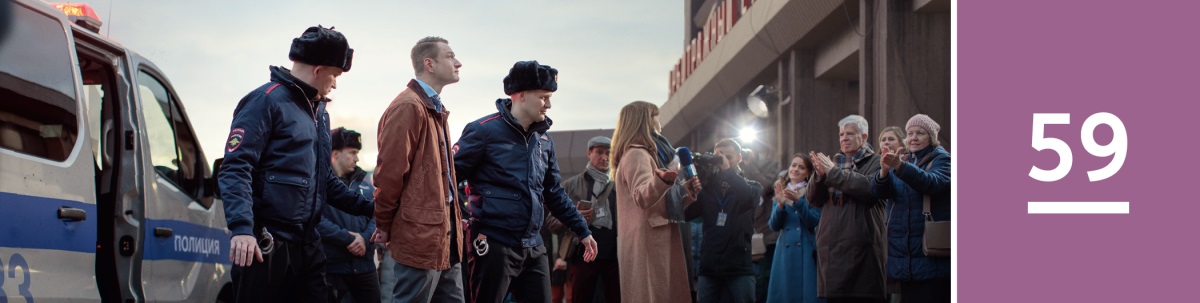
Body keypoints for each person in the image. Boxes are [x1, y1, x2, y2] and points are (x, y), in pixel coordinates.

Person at [218, 25, 374, 303]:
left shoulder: (320, 114)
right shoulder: (265, 101)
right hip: (266, 244)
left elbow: (325, 180)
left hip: (309, 245)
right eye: (335, 75)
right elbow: (235, 167)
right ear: (318, 70)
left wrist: (375, 209)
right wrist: (242, 229)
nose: (335, 83)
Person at [454, 60, 598, 303]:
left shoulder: (544, 141)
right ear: (521, 95)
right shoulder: (482, 131)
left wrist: (582, 230)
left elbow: (553, 192)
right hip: (492, 244)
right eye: (544, 97)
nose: (549, 104)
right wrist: (465, 220)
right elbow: (447, 180)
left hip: (534, 247)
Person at [371, 36, 466, 303]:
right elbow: (389, 174)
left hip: (445, 234)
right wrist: (384, 223)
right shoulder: (409, 106)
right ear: (429, 64)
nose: (458, 62)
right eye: (449, 56)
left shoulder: (434, 108)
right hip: (420, 234)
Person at [611, 101, 702, 303]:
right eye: (655, 115)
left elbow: (660, 200)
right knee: (652, 295)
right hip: (648, 241)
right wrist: (663, 180)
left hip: (655, 237)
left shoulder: (649, 153)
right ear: (645, 121)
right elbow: (642, 197)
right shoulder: (636, 154)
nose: (659, 121)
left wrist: (685, 191)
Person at [806, 114, 886, 303]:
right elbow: (813, 200)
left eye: (850, 134)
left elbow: (869, 189)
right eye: (841, 134)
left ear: (864, 137)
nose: (844, 138)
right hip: (832, 250)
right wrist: (818, 177)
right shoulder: (833, 162)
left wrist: (833, 173)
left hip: (862, 249)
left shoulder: (876, 162)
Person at [872, 114, 951, 303]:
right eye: (910, 133)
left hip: (931, 255)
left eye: (920, 133)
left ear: (931, 137)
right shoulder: (905, 161)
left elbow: (931, 183)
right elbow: (877, 193)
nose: (914, 137)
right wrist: (883, 171)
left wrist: (899, 165)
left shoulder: (943, 159)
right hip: (904, 257)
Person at [546, 136, 621, 303]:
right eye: (599, 152)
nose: (604, 157)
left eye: (608, 153)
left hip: (614, 256)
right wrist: (574, 218)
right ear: (589, 153)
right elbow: (551, 222)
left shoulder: (618, 187)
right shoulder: (571, 185)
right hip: (582, 255)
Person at [687, 139, 762, 303]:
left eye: (729, 156)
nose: (723, 161)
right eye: (719, 157)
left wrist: (727, 170)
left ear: (740, 158)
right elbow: (686, 214)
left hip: (738, 266)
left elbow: (748, 198)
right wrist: (689, 192)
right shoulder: (706, 189)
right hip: (709, 266)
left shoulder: (752, 186)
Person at [317, 127, 379, 303]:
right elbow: (315, 219)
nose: (357, 158)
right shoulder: (320, 185)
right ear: (335, 154)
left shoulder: (367, 183)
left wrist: (364, 239)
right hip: (332, 269)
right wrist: (347, 238)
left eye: (357, 152)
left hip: (365, 268)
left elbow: (377, 215)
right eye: (352, 152)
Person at [766, 154, 822, 303]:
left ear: (808, 173)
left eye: (801, 167)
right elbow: (773, 225)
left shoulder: (813, 192)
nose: (795, 169)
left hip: (805, 249)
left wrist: (798, 201)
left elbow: (813, 221)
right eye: (793, 165)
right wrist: (780, 205)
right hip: (784, 252)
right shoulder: (781, 191)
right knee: (784, 295)